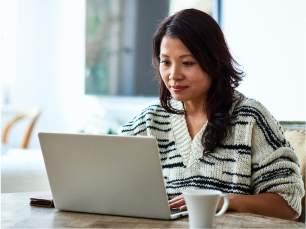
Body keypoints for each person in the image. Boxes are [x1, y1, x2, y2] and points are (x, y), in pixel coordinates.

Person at [119, 9, 304, 220]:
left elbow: (288, 205)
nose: (173, 75)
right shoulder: (148, 120)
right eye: (165, 61)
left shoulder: (251, 118)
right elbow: (110, 183)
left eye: (187, 62)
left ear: (214, 61)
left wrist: (224, 201)